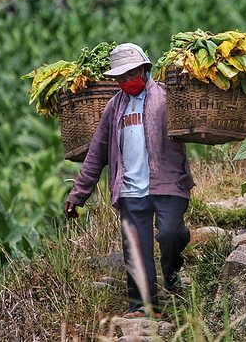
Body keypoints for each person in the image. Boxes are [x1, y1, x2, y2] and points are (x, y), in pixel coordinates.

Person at [63, 43, 194, 319]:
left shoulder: (167, 97)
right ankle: (144, 306)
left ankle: (171, 271)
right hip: (130, 190)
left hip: (168, 183)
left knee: (170, 234)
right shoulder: (114, 108)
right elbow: (96, 154)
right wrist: (77, 195)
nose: (126, 81)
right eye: (121, 78)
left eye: (131, 74)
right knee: (135, 247)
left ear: (145, 70)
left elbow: (191, 123)